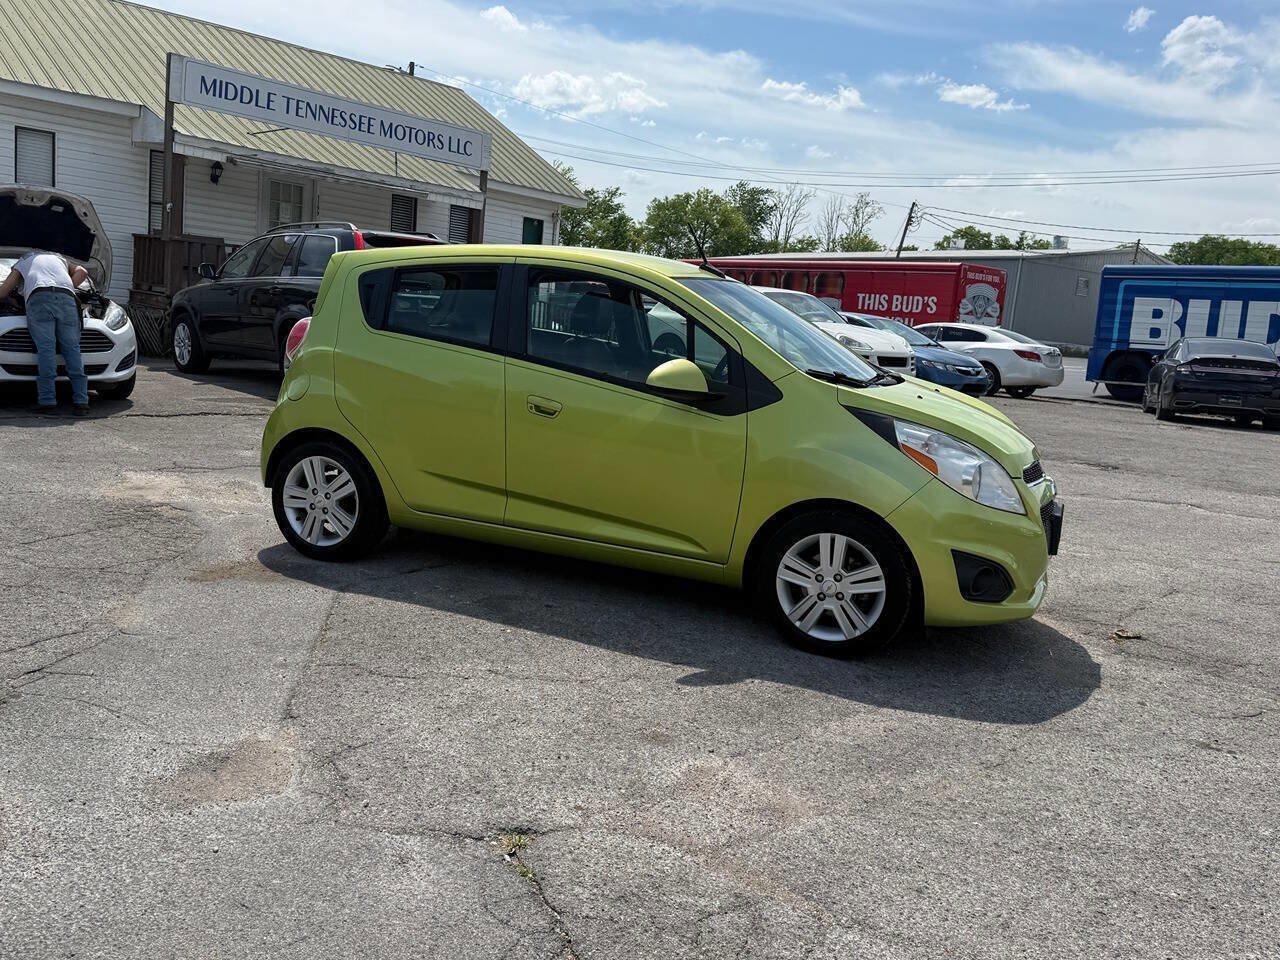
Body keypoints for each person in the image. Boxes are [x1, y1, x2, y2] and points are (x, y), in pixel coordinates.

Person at [0, 251, 90, 416]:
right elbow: (83, 272)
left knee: (46, 348)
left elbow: (3, 292)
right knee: (72, 348)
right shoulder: (60, 258)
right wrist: (67, 286)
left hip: (39, 297)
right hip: (67, 298)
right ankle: (81, 402)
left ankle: (47, 401)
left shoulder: (24, 260)